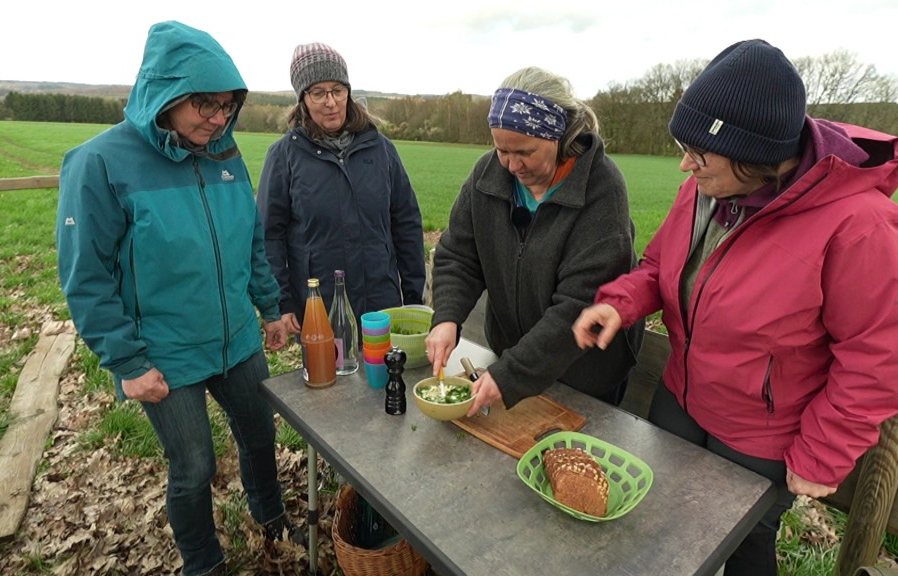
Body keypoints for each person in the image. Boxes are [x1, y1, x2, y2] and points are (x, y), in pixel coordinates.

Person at [572, 39, 898, 575]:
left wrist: (824, 453)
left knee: (741, 544)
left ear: (754, 158)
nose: (684, 166)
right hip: (681, 399)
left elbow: (878, 357)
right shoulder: (707, 186)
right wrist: (623, 303)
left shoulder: (860, 226)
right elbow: (661, 265)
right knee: (662, 520)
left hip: (762, 434)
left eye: (699, 153)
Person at [56, 21, 292, 576]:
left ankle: (273, 518)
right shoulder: (100, 163)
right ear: (164, 93)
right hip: (164, 350)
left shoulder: (224, 154)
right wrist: (127, 362)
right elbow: (85, 274)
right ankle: (204, 563)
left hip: (234, 335)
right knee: (193, 465)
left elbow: (249, 240)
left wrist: (268, 305)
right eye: (203, 105)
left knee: (261, 434)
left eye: (227, 106)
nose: (216, 119)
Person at [426, 66, 645, 416]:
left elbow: (578, 304)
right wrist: (447, 317)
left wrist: (511, 374)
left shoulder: (602, 190)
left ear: (559, 136)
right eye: (501, 150)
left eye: (525, 152)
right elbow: (459, 255)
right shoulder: (486, 175)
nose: (511, 165)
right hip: (511, 361)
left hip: (584, 375)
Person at [257, 42, 425, 333]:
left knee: (385, 376)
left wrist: (412, 296)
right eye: (318, 93)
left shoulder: (381, 150)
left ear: (348, 90)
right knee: (329, 378)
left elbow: (406, 223)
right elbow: (268, 236)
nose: (331, 102)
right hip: (319, 309)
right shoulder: (284, 156)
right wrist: (282, 303)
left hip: (382, 307)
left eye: (337, 89)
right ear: (302, 99)